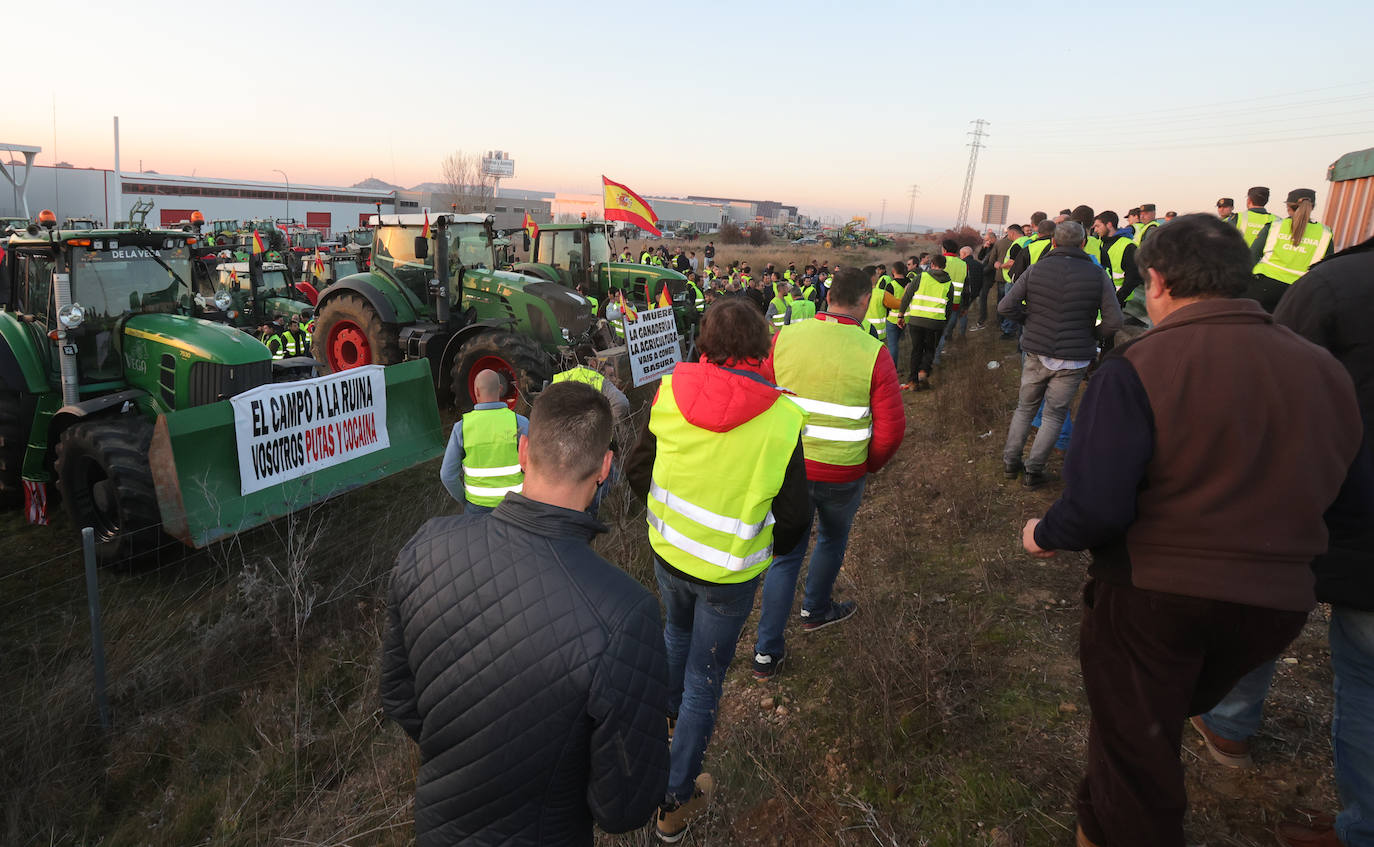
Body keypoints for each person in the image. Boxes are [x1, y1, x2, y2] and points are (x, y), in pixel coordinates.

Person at [1019, 214, 1368, 847]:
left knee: (1133, 766)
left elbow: (1098, 504)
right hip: (1275, 608)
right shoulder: (1324, 371)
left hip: (1155, 599)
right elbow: (1345, 494)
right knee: (1162, 712)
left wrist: (1044, 533)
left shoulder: (1139, 366)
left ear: (1155, 280)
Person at [381, 382, 669, 847]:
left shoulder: (427, 547)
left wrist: (466, 751)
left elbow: (398, 693)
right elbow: (626, 805)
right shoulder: (624, 614)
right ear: (605, 467)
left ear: (523, 450)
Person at [1199, 236, 1374, 847]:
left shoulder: (1336, 285)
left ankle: (1229, 725)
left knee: (1262, 605)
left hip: (1317, 502)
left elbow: (1264, 386)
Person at [625, 298, 809, 842]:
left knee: (674, 638)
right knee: (706, 679)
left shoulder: (670, 389)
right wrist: (768, 548)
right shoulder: (781, 417)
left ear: (704, 341)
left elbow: (638, 468)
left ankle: (666, 725)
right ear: (761, 345)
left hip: (668, 554)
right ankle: (676, 801)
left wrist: (662, 512)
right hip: (727, 575)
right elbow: (797, 516)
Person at [752, 266, 905, 679]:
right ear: (863, 300)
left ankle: (766, 653)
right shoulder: (874, 352)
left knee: (785, 558)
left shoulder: (785, 337)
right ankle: (815, 610)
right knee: (833, 539)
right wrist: (866, 463)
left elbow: (760, 396)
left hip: (791, 471)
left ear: (828, 296)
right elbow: (891, 429)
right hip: (843, 474)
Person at [998, 221, 1121, 488]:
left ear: (1053, 243)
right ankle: (1033, 471)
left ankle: (1010, 463)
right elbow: (1114, 322)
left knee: (1024, 408)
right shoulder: (1097, 274)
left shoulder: (1037, 269)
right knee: (1054, 415)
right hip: (1074, 358)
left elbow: (1006, 306)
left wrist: (1029, 322)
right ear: (1084, 244)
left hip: (1036, 352)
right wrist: (1091, 336)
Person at [439, 369, 529, 512]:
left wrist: (465, 500)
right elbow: (536, 468)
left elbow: (447, 476)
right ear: (500, 389)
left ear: (476, 391)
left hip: (476, 509)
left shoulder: (462, 428)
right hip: (515, 508)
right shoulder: (520, 423)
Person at [1248, 187, 1335, 313]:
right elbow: (1326, 267)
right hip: (1298, 293)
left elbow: (1252, 255)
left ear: (1288, 207)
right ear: (1313, 207)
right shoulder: (1325, 233)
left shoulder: (1275, 226)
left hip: (1263, 287)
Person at [899, 253, 955, 390]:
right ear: (944, 267)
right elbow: (949, 307)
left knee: (916, 349)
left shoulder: (921, 277)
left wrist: (900, 315)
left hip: (916, 320)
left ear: (932, 265)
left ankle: (912, 381)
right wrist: (945, 323)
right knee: (930, 349)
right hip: (936, 323)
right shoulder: (949, 283)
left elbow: (907, 296)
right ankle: (923, 371)